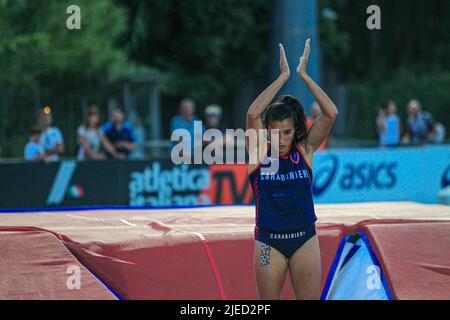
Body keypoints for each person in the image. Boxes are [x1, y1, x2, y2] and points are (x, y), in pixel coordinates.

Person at [246, 40, 338, 300]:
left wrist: (304, 76)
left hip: (305, 239)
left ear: (295, 130)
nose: (282, 139)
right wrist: (283, 76)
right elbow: (253, 113)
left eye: (287, 132)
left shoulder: (304, 149)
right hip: (268, 243)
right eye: (275, 133)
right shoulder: (258, 153)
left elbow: (331, 113)